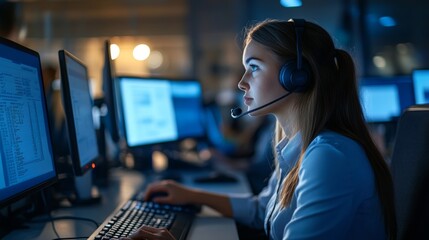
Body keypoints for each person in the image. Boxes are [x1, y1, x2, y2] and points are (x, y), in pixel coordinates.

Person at [115, 18, 397, 240]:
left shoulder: (329, 157)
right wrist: (192, 195)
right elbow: (264, 209)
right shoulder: (298, 146)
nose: (242, 82)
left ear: (296, 77)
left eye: (254, 67)